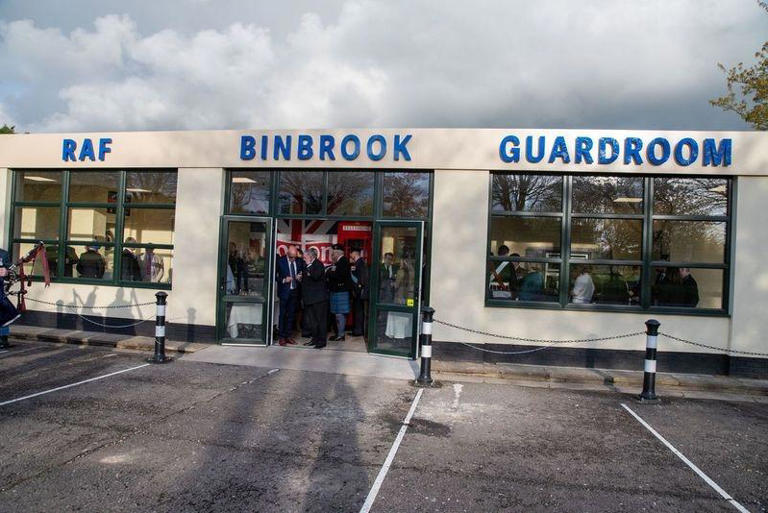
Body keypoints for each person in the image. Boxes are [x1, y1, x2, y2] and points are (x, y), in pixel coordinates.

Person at [275, 245, 304, 346]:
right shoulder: (280, 261)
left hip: (294, 291)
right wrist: (283, 280)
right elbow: (274, 276)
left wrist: (300, 277)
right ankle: (281, 337)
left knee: (291, 315)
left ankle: (288, 336)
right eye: (291, 257)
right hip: (284, 292)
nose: (293, 259)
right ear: (287, 254)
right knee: (283, 315)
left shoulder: (299, 261)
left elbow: (304, 272)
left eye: (294, 257)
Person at [301, 247, 328, 349]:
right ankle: (315, 339)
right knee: (312, 321)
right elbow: (307, 278)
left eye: (305, 257)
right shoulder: (307, 265)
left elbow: (315, 276)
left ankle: (321, 341)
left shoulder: (318, 264)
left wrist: (308, 266)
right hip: (309, 298)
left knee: (320, 321)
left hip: (319, 299)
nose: (303, 258)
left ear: (310, 256)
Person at [326, 244, 352, 341]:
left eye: (333, 253)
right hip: (337, 290)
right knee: (338, 313)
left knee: (340, 314)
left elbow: (337, 275)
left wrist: (329, 272)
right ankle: (339, 334)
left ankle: (341, 335)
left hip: (340, 290)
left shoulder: (343, 261)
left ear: (337, 253)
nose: (332, 255)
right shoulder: (339, 262)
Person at [386, 255, 415, 340]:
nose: (400, 263)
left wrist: (392, 283)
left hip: (400, 295)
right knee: (407, 315)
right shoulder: (413, 271)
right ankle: (408, 333)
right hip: (410, 296)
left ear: (404, 262)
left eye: (401, 261)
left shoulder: (400, 271)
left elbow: (396, 285)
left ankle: (398, 334)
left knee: (398, 315)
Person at [350, 248, 369, 338]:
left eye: (351, 253)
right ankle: (357, 329)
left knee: (358, 311)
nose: (350, 255)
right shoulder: (359, 262)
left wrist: (359, 289)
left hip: (358, 291)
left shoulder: (360, 263)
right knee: (358, 311)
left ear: (354, 254)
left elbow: (361, 278)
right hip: (358, 291)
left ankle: (358, 330)